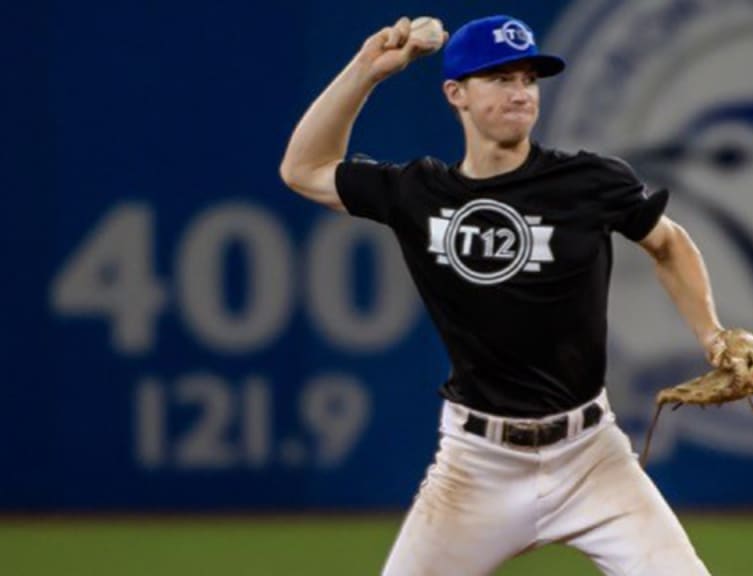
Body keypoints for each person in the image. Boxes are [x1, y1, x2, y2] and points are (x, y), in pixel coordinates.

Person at [281, 14, 723, 576]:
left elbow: (668, 243)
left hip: (591, 456)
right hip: (476, 466)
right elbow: (303, 169)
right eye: (500, 78)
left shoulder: (589, 181)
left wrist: (712, 334)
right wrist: (366, 72)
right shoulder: (421, 193)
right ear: (456, 93)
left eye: (528, 80)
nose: (520, 93)